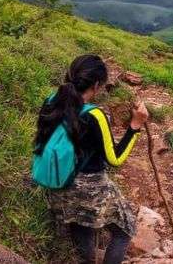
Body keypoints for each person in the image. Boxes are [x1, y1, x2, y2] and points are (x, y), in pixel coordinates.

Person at [33, 55, 149, 264]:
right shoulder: (95, 115)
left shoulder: (50, 102)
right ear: (96, 85)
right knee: (125, 229)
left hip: (56, 185)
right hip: (90, 189)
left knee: (80, 224)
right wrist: (135, 126)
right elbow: (115, 159)